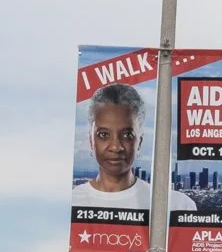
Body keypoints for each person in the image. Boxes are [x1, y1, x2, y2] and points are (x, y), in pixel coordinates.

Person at [72, 83, 197, 212]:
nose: (116, 147)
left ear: (139, 142)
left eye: (127, 135)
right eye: (103, 134)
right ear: (91, 141)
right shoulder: (72, 202)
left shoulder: (178, 205)